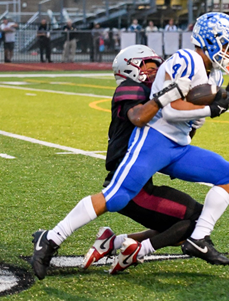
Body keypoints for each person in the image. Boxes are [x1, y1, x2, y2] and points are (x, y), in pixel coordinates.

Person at [30, 12, 229, 280]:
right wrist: (209, 110)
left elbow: (187, 116)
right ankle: (50, 239)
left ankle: (199, 238)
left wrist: (200, 114)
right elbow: (169, 112)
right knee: (116, 196)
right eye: (225, 45)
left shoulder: (211, 76)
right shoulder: (187, 59)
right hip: (154, 139)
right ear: (210, 40)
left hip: (178, 146)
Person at [80, 45, 206, 274]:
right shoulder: (131, 90)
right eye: (149, 67)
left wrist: (192, 121)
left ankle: (114, 242)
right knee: (195, 219)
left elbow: (174, 140)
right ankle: (137, 251)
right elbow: (138, 118)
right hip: (129, 186)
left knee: (179, 230)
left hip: (138, 183)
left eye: (157, 67)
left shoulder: (149, 97)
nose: (155, 72)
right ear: (131, 68)